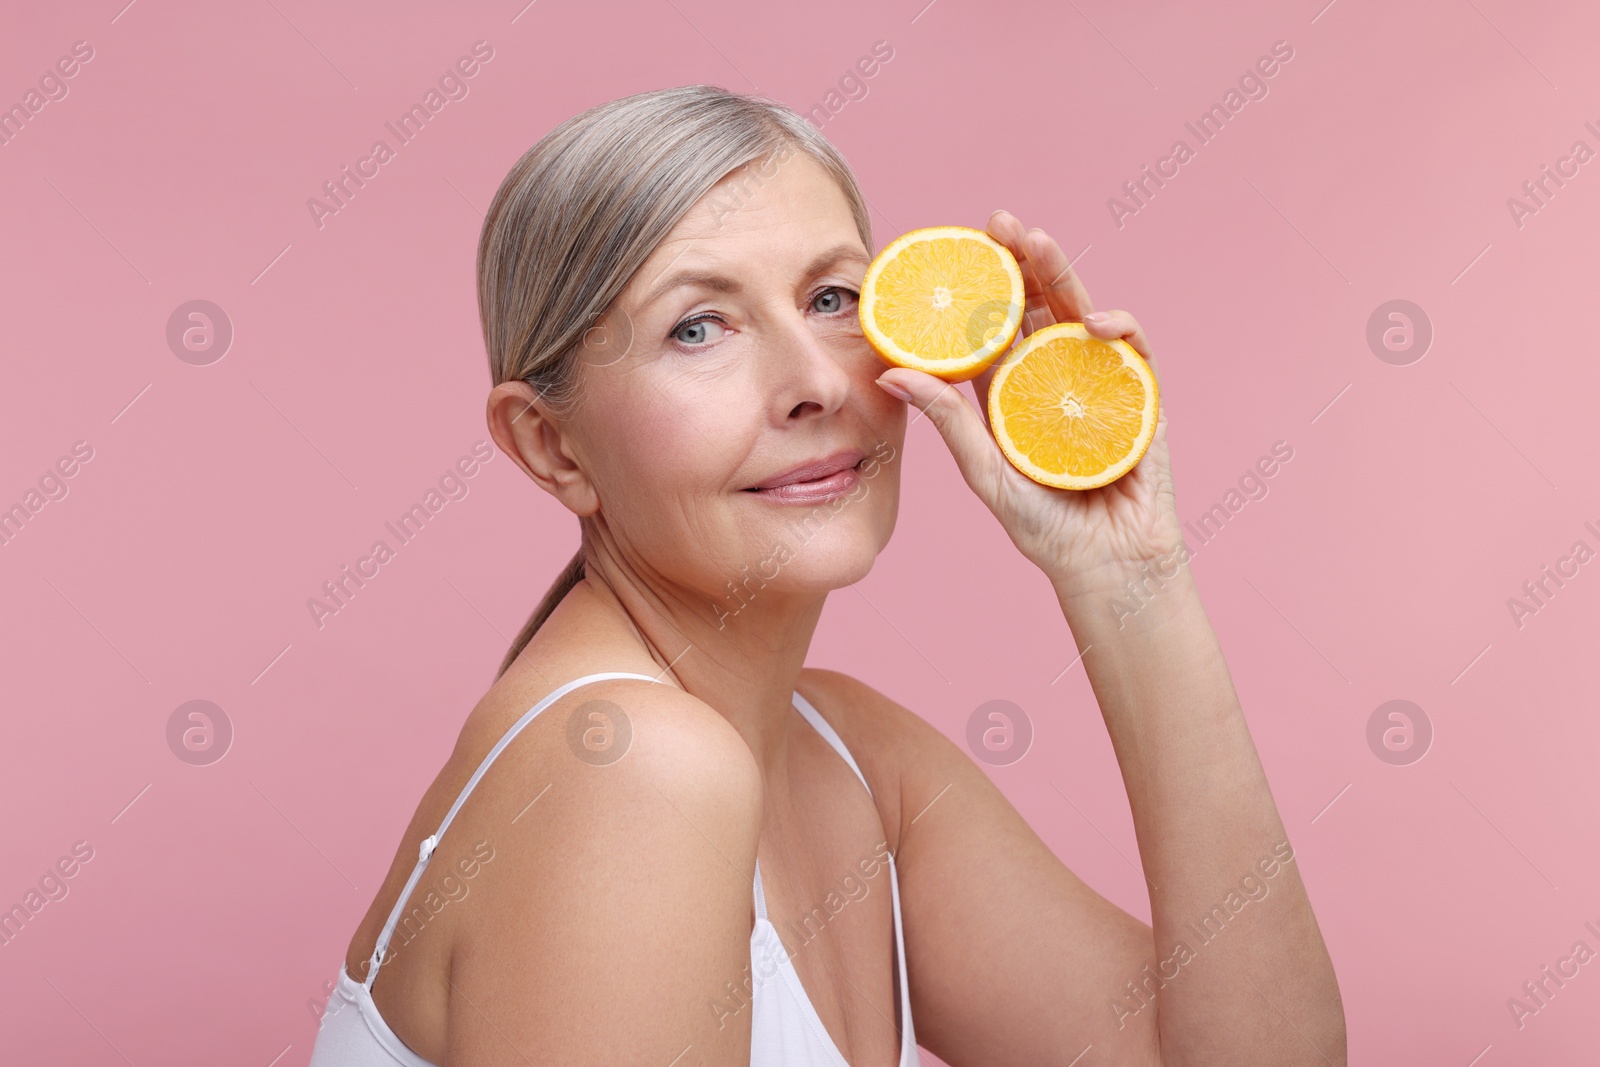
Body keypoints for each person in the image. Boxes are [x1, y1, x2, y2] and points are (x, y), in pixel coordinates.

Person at [308, 84, 1346, 1066]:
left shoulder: (856, 761)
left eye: (833, 297)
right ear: (552, 447)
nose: (811, 383)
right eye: (697, 327)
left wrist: (1134, 581)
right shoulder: (628, 770)